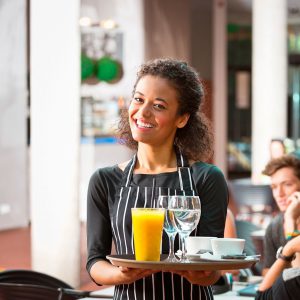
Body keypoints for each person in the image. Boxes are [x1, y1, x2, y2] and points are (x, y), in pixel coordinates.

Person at [86, 58, 228, 299]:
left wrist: (204, 274)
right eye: (139, 99)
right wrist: (121, 276)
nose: (143, 112)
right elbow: (95, 262)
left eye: (159, 106)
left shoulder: (206, 178)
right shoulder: (105, 180)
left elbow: (211, 265)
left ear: (182, 118)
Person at [261, 155, 300, 276]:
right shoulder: (274, 227)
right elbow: (267, 272)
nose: (279, 194)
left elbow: (297, 274)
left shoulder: (285, 220)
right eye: (274, 187)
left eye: (287, 184)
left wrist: (290, 220)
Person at [256, 235, 300, 300]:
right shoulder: (274, 228)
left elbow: (261, 297)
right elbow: (266, 271)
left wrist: (289, 248)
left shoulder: (290, 282)